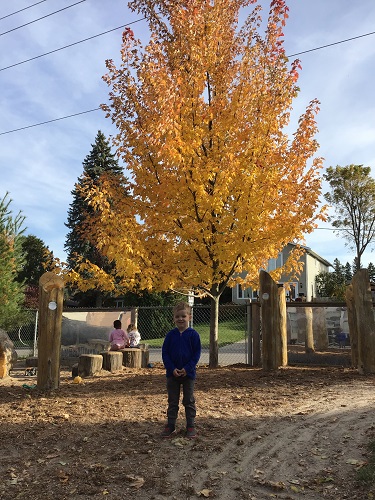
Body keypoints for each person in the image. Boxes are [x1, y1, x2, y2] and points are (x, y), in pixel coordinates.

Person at [161, 301, 201, 439]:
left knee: (188, 400)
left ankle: (190, 425)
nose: (180, 319)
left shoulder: (193, 335)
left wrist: (187, 368)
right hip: (172, 375)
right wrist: (171, 368)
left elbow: (196, 354)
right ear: (174, 318)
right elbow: (165, 352)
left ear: (189, 317)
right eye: (177, 316)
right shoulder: (170, 335)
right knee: (173, 401)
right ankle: (170, 424)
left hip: (188, 374)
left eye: (183, 316)